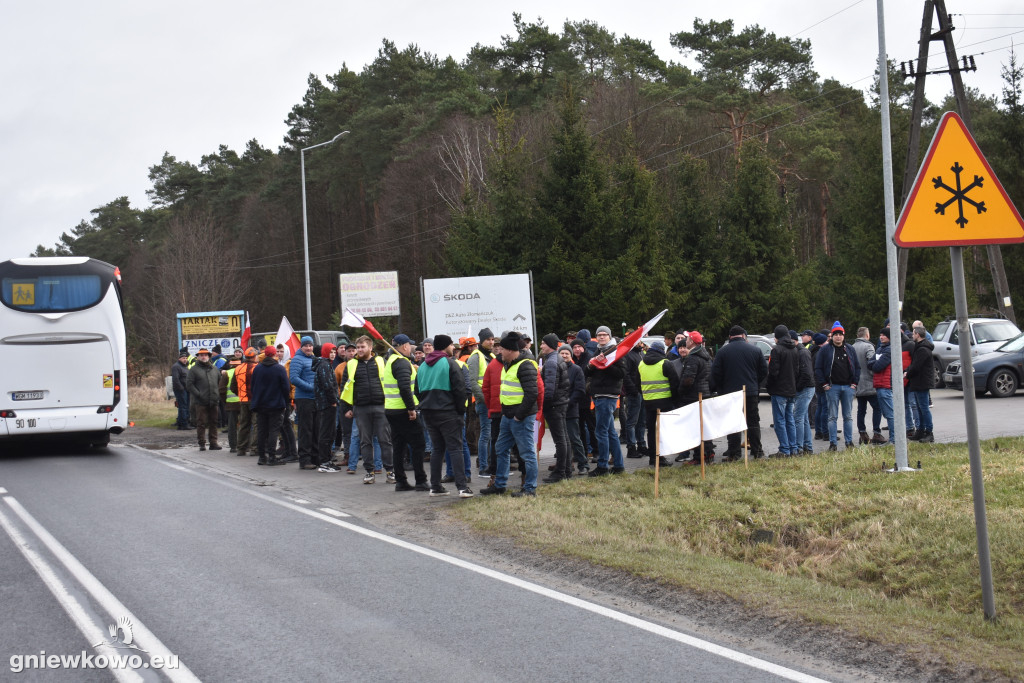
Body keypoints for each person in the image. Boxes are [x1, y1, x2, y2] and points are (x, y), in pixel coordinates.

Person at [481, 332, 540, 496]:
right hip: (508, 416)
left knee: (527, 453)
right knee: (500, 448)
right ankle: (499, 485)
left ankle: (529, 489)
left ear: (509, 350)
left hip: (519, 417)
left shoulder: (525, 365)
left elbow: (531, 394)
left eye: (501, 349)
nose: (499, 351)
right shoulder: (509, 364)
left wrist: (518, 416)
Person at [415, 334, 472, 497]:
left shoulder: (423, 366)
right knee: (455, 448)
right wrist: (460, 410)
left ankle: (435, 486)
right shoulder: (450, 364)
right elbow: (460, 390)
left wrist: (427, 403)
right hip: (448, 412)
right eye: (451, 345)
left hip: (428, 413)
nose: (453, 347)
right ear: (445, 346)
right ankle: (462, 487)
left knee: (437, 449)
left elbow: (417, 391)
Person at [339, 335, 395, 484]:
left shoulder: (381, 361)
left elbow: (391, 381)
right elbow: (345, 386)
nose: (359, 350)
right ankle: (369, 472)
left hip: (381, 406)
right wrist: (346, 408)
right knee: (365, 442)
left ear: (370, 348)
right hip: (360, 408)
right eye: (358, 347)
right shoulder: (351, 364)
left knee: (385, 440)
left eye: (362, 347)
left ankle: (390, 471)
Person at [710, 326, 768, 459]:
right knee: (753, 422)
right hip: (750, 391)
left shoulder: (723, 352)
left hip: (730, 393)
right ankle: (757, 451)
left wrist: (719, 388)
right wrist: (754, 382)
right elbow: (763, 371)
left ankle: (734, 453)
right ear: (743, 335)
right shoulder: (756, 350)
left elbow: (716, 373)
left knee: (733, 422)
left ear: (730, 337)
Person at [386, 334, 429, 491]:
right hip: (403, 410)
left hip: (392, 409)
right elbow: (404, 387)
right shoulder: (401, 363)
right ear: (404, 346)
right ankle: (421, 481)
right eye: (410, 345)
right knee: (418, 444)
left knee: (399, 446)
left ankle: (401, 481)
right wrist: (411, 409)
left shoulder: (390, 360)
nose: (412, 348)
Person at [814, 321, 860, 451]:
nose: (838, 337)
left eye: (840, 334)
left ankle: (849, 442)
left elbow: (857, 367)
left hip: (848, 388)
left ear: (844, 335)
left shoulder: (850, 349)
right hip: (832, 387)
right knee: (832, 417)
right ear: (831, 336)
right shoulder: (825, 350)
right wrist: (824, 384)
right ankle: (833, 443)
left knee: (848, 416)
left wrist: (854, 383)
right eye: (836, 334)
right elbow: (818, 368)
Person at [638, 340, 679, 470]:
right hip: (665, 401)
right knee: (663, 430)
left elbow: (637, 383)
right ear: (662, 350)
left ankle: (652, 458)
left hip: (648, 402)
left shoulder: (641, 364)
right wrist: (674, 399)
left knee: (651, 430)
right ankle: (661, 457)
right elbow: (675, 383)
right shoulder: (665, 363)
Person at [676, 331, 714, 462]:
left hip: (693, 396)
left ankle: (699, 456)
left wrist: (680, 391)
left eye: (687, 339)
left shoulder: (693, 357)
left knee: (695, 428)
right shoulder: (706, 356)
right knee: (703, 426)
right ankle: (708, 452)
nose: (685, 341)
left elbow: (688, 380)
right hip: (704, 393)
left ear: (691, 342)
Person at [249, 345, 290, 466]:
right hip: (276, 405)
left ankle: (262, 456)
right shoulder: (279, 369)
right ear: (274, 355)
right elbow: (286, 388)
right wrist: (284, 401)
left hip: (261, 404)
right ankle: (272, 457)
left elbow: (253, 386)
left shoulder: (258, 368)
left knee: (262, 430)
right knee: (273, 430)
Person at [539, 333, 571, 482]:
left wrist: (543, 405)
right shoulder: (557, 359)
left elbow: (549, 390)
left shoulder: (551, 362)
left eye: (543, 343)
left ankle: (560, 472)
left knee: (560, 439)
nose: (541, 346)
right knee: (564, 437)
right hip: (561, 403)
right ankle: (567, 469)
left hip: (554, 405)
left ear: (550, 345)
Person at [766, 325, 800, 457]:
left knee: (779, 421)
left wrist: (769, 387)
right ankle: (793, 448)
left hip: (779, 391)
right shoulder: (795, 349)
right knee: (790, 419)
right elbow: (797, 371)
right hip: (791, 389)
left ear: (777, 337)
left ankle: (784, 449)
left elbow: (773, 372)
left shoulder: (777, 350)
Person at [466, 327, 495, 474]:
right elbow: (472, 381)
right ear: (481, 341)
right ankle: (483, 467)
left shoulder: (492, 356)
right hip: (484, 403)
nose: (491, 342)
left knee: (491, 435)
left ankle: (491, 465)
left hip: (494, 402)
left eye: (492, 339)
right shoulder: (475, 357)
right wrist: (484, 400)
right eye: (488, 339)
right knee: (485, 435)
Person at [559, 344, 589, 474]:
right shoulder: (555, 369)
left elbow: (580, 390)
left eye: (567, 353)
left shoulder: (576, 370)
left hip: (571, 410)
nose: (564, 356)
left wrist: (568, 403)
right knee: (561, 440)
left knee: (574, 438)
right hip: (557, 410)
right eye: (562, 353)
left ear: (571, 356)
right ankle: (566, 465)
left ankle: (583, 464)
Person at [289, 336, 318, 470]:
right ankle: (304, 459)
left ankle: (315, 457)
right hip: (304, 399)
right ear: (301, 347)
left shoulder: (314, 359)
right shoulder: (297, 359)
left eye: (310, 345)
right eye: (306, 345)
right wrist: (311, 387)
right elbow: (294, 378)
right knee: (305, 430)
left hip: (315, 399)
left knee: (315, 429)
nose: (308, 348)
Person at [853, 327, 884, 445]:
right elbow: (872, 363)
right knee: (877, 408)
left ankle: (862, 433)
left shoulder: (852, 347)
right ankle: (876, 432)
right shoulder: (869, 347)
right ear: (867, 335)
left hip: (858, 384)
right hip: (870, 383)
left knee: (861, 410)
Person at [186, 348, 222, 451]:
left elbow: (219, 382)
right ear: (198, 357)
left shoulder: (214, 369)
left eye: (205, 355)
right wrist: (198, 394)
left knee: (214, 422)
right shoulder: (193, 370)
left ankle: (213, 443)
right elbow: (189, 384)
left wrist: (218, 394)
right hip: (200, 401)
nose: (203, 357)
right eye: (201, 355)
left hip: (214, 400)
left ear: (209, 356)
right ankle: (202, 443)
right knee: (201, 423)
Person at [312, 343, 340, 472]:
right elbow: (327, 385)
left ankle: (327, 460)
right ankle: (324, 462)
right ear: (325, 352)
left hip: (327, 403)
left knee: (329, 432)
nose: (333, 354)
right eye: (331, 352)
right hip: (327, 404)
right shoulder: (324, 365)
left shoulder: (326, 364)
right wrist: (333, 400)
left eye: (334, 352)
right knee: (326, 433)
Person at [905, 325, 935, 442]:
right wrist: (908, 371)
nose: (912, 336)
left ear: (917, 334)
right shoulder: (920, 347)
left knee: (924, 408)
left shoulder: (923, 349)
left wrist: (907, 373)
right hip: (918, 381)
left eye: (913, 334)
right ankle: (921, 431)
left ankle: (929, 432)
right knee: (919, 407)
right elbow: (914, 364)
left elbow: (916, 366)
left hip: (922, 382)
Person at [230, 347, 258, 457]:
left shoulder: (238, 368)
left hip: (243, 400)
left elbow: (233, 386)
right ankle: (254, 449)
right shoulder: (257, 368)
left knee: (243, 424)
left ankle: (241, 448)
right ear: (254, 356)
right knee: (256, 425)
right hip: (255, 400)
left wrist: (241, 394)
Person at [871, 327, 897, 444]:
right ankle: (893, 439)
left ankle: (894, 439)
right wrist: (875, 362)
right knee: (887, 414)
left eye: (884, 335)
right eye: (880, 335)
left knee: (890, 414)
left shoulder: (889, 350)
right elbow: (869, 363)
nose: (881, 337)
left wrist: (875, 362)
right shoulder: (880, 349)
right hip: (880, 384)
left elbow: (876, 366)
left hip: (886, 385)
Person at [794, 336, 816, 455]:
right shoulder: (801, 351)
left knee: (798, 417)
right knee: (804, 419)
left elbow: (806, 373)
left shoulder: (802, 353)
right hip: (807, 387)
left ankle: (799, 447)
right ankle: (808, 446)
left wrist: (798, 387)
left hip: (805, 388)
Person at [220, 352, 242, 452]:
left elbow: (221, 390)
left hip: (231, 403)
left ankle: (233, 446)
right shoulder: (243, 372)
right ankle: (244, 445)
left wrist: (225, 401)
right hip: (243, 403)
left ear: (230, 364)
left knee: (232, 427)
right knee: (244, 425)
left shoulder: (226, 374)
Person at [171, 348, 190, 430]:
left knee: (185, 406)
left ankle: (182, 422)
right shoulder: (176, 366)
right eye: (183, 358)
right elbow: (175, 379)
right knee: (183, 406)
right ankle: (183, 424)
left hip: (187, 389)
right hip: (181, 390)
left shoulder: (185, 367)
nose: (185, 359)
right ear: (179, 358)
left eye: (186, 358)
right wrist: (181, 388)